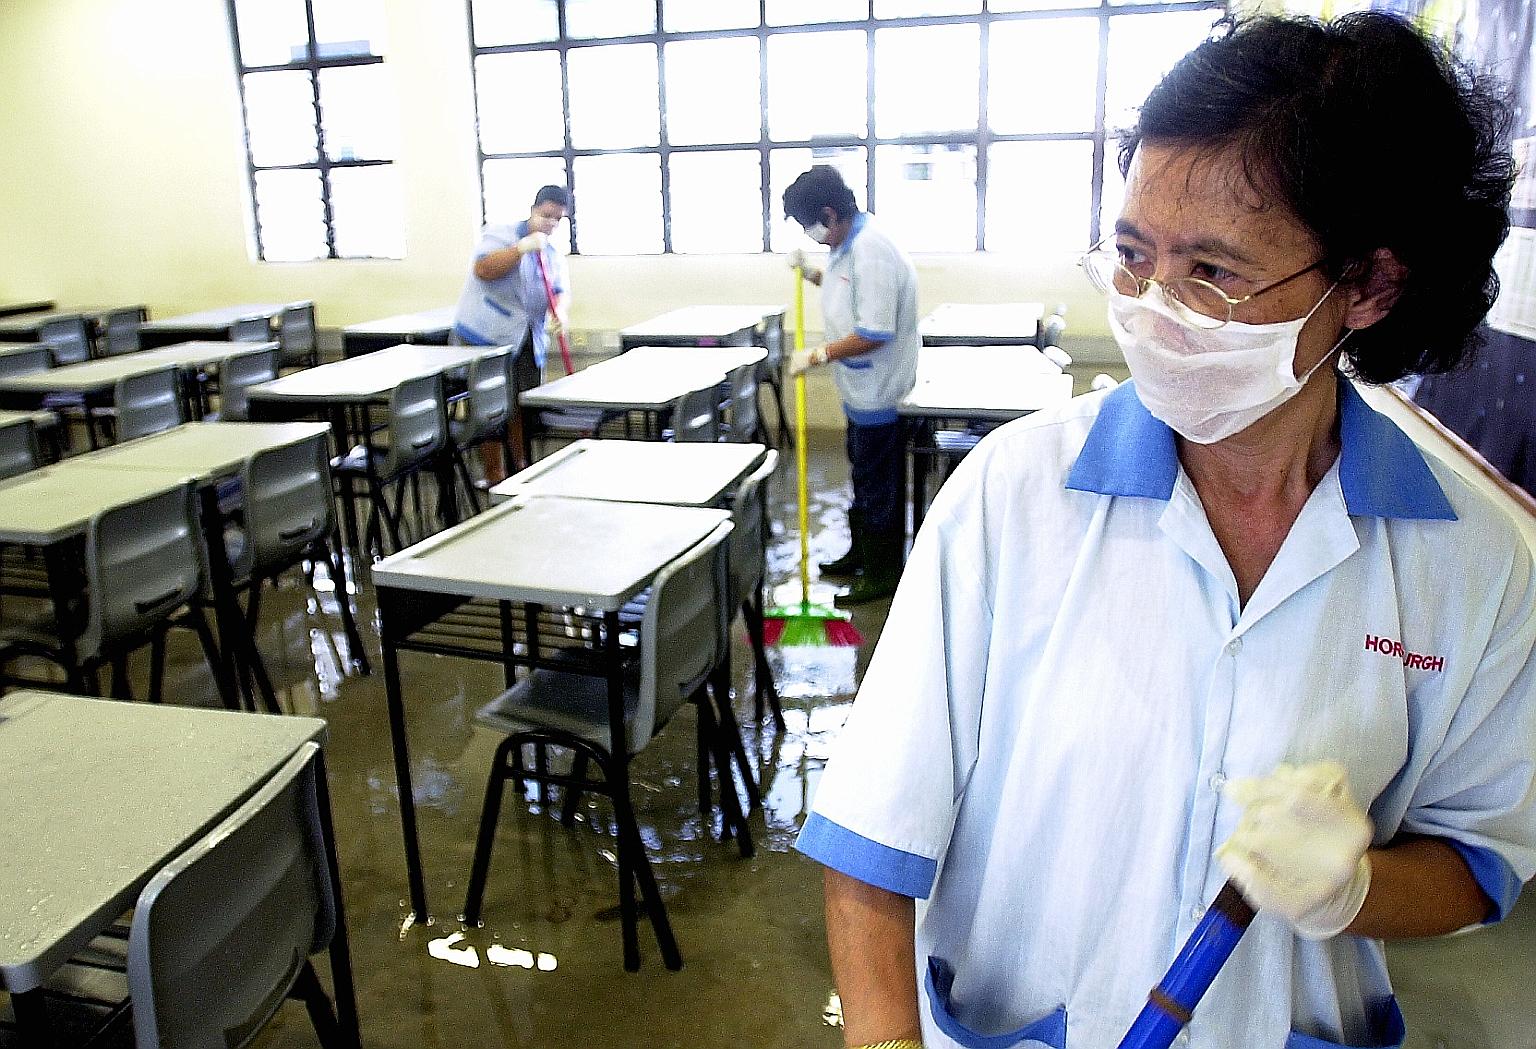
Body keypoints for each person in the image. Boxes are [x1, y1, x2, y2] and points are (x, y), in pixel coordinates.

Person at [796, 13, 1536, 1049]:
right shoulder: (1012, 496)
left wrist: (1350, 889)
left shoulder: (1475, 566)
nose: (1152, 308)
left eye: (1215, 273)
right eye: (1135, 254)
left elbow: (1480, 858)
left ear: (1367, 285)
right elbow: (874, 831)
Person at [784, 165, 920, 606]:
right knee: (861, 474)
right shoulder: (850, 242)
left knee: (877, 482)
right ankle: (859, 552)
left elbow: (875, 329)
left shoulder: (872, 249)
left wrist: (819, 355)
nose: (811, 236)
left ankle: (882, 572)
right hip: (860, 390)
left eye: (811, 226)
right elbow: (850, 289)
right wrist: (812, 275)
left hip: (880, 390)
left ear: (829, 212)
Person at [451, 184, 571, 478]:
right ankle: (493, 475)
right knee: (490, 408)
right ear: (533, 209)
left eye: (557, 219)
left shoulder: (553, 252)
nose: (551, 224)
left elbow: (558, 290)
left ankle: (519, 468)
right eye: (546, 215)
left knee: (520, 407)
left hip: (526, 337)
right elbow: (484, 270)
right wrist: (519, 250)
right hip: (486, 337)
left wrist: (560, 311)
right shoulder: (500, 234)